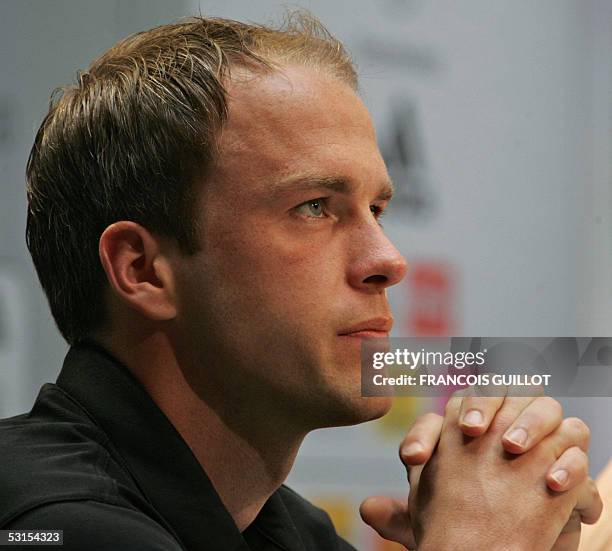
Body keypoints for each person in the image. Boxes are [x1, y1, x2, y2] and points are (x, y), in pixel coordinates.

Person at [0, 12, 601, 550]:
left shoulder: (289, 532)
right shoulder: (51, 522)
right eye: (315, 206)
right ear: (142, 271)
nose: (389, 260)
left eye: (378, 211)